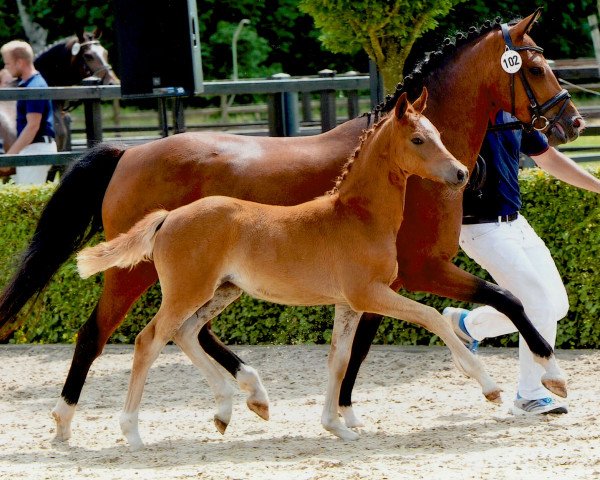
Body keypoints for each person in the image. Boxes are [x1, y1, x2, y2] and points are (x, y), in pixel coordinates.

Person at [444, 109, 600, 415]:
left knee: (556, 306)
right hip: (479, 227)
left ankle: (468, 326)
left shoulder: (512, 115)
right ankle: (529, 394)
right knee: (538, 305)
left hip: (517, 224)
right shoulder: (461, 113)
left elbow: (549, 158)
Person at [0, 40, 55, 184]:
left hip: (36, 148)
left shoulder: (35, 86)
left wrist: (9, 157)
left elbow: (32, 126)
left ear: (20, 63)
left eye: (8, 64)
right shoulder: (29, 84)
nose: (6, 68)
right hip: (30, 148)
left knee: (29, 204)